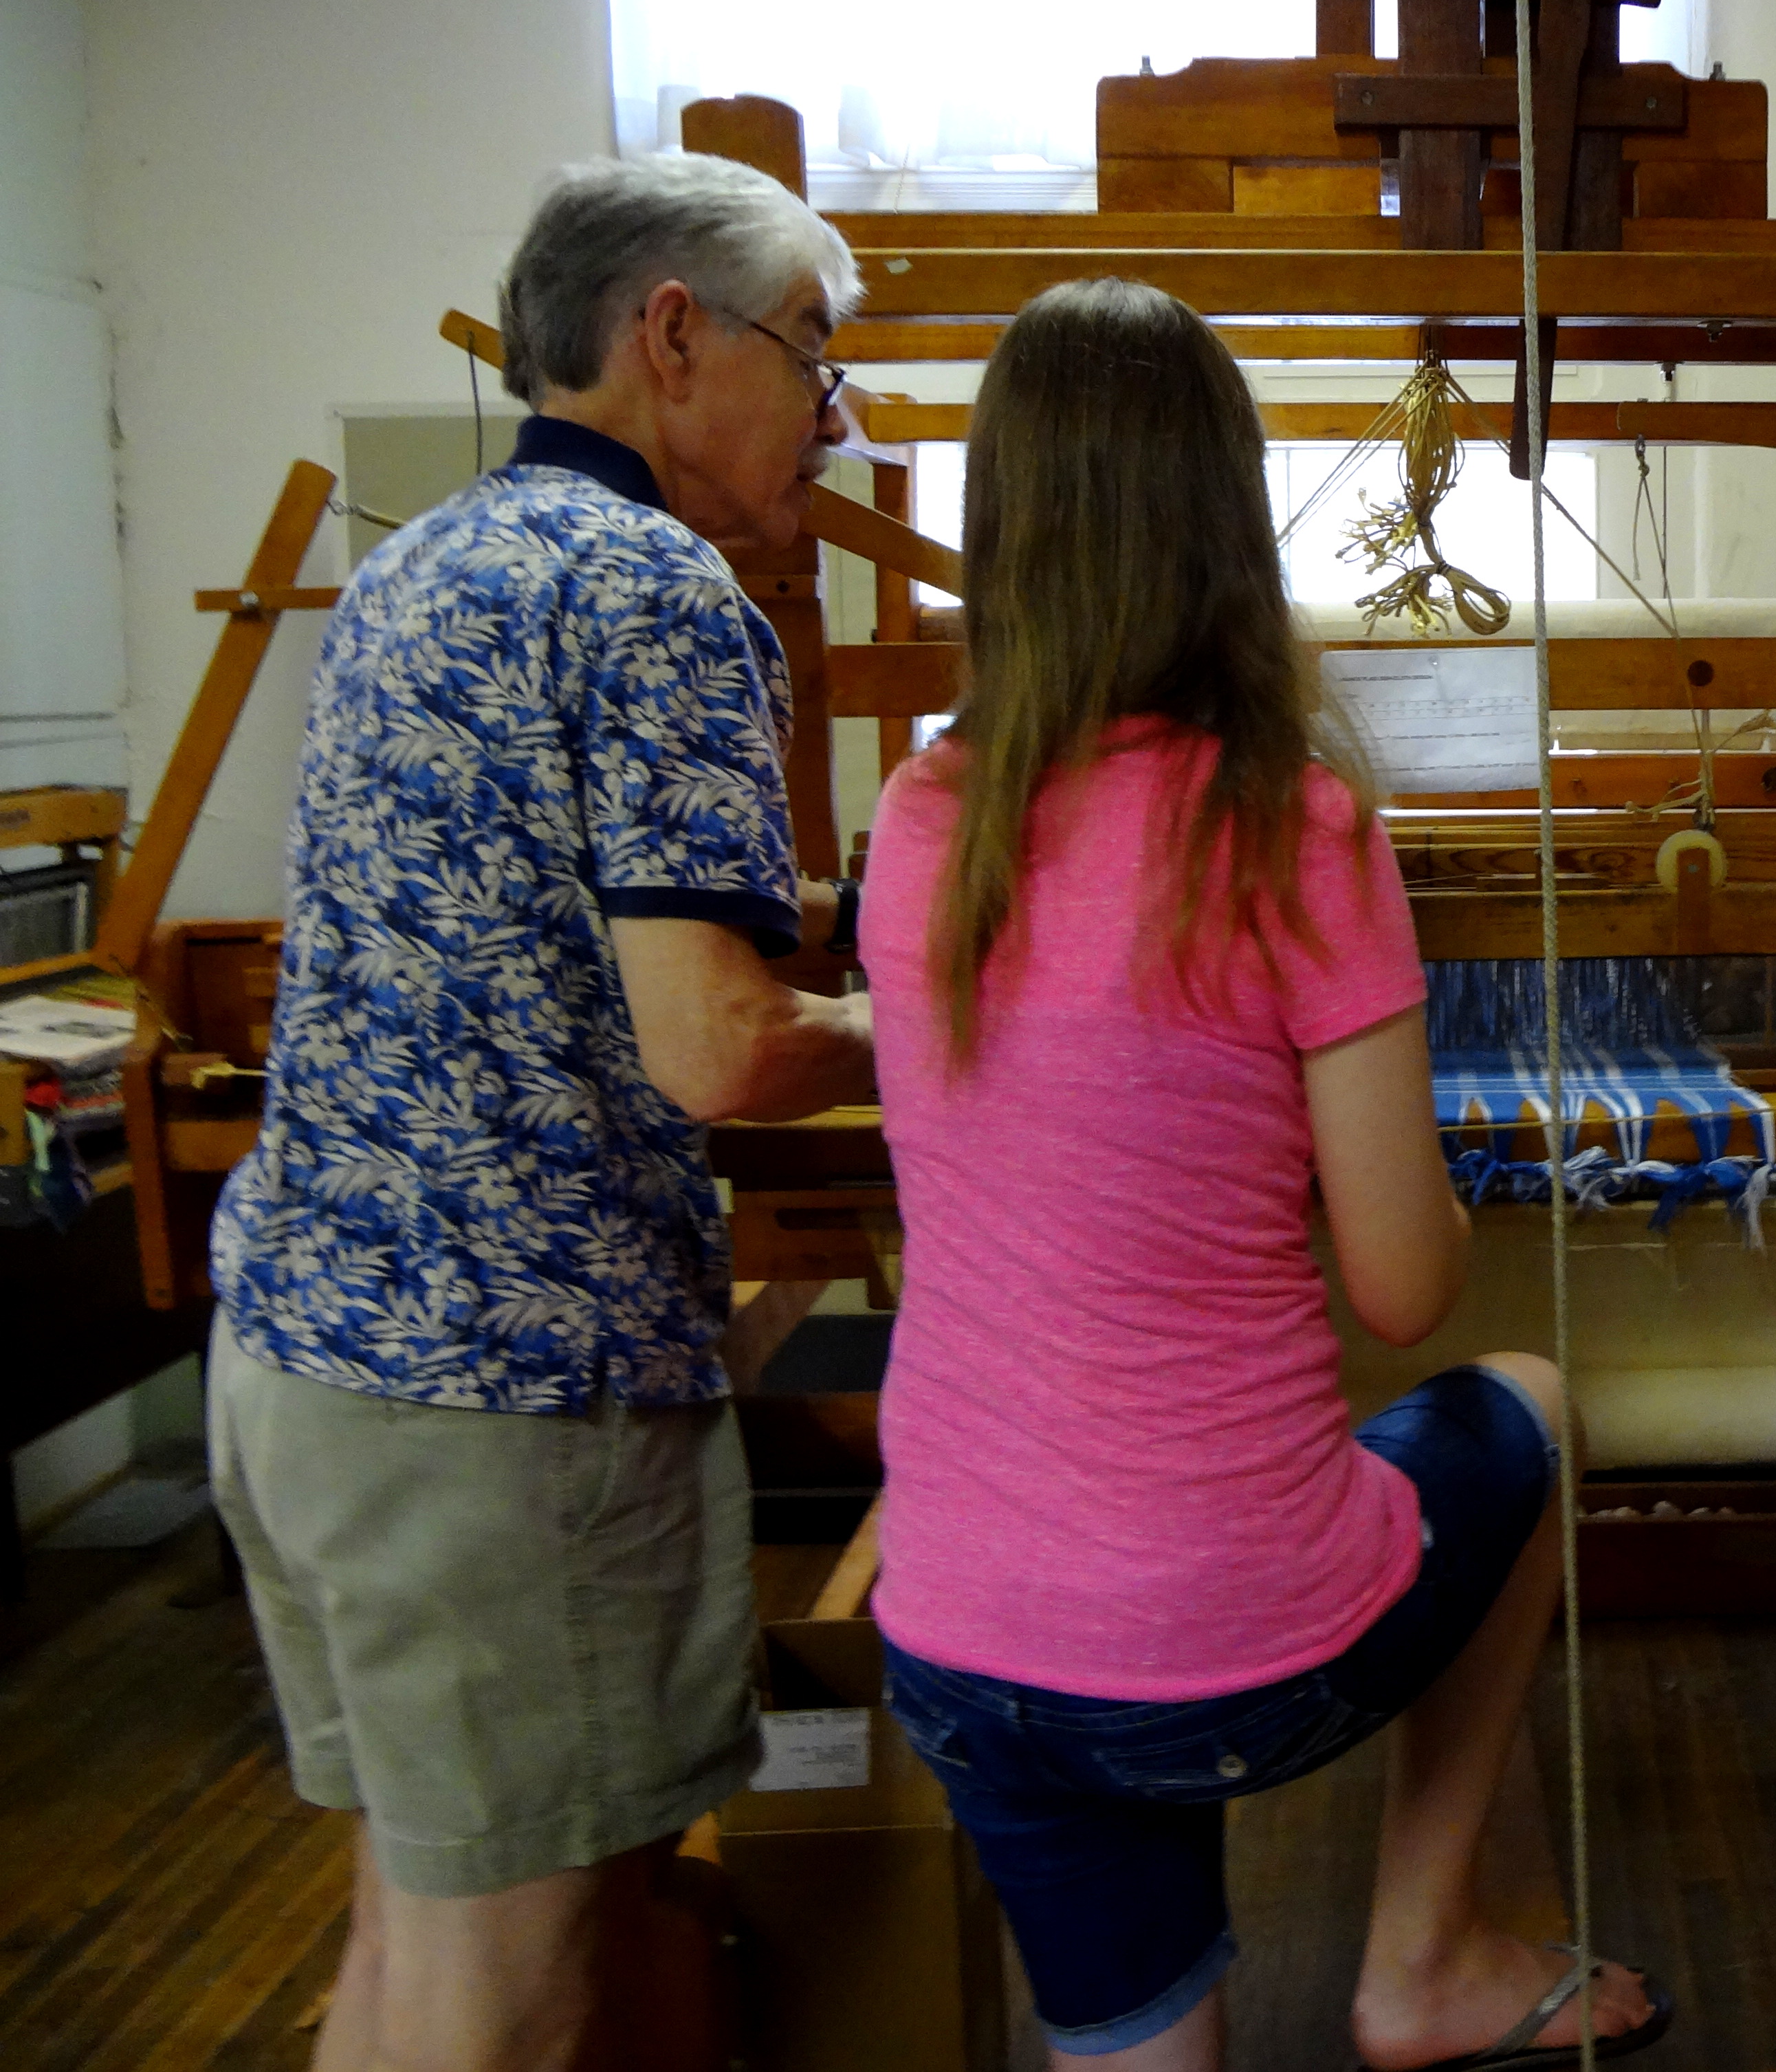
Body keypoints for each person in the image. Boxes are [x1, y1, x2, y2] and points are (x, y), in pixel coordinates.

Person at [858, 275, 1674, 2072]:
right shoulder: (1288, 826)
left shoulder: (921, 820)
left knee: (1141, 2047)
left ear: (998, 526)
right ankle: (1420, 1959)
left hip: (958, 1636)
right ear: (1230, 522)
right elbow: (1403, 1289)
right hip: (1218, 1636)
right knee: (1522, 1407)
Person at [206, 153, 877, 2072]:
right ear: (672, 335)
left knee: (420, 1949)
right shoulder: (659, 585)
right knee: (504, 1997)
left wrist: (815, 924)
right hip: (508, 1398)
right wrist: (938, 1017)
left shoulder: (428, 557)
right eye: (810, 353)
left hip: (313, 1361)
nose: (830, 412)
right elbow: (722, 1051)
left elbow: (536, 901)